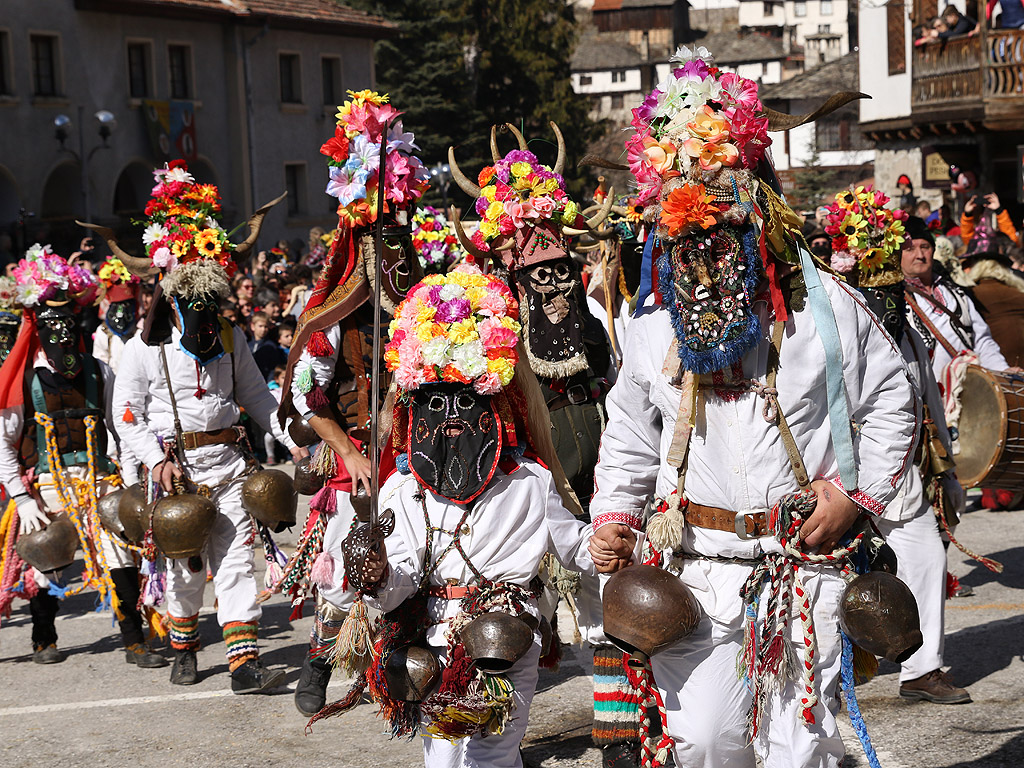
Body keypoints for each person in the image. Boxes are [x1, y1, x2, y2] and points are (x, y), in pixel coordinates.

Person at [586, 48, 919, 767]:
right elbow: (630, 433)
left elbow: (895, 396)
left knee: (797, 748)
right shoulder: (649, 324)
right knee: (703, 740)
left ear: (756, 206)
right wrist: (614, 516)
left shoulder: (824, 305)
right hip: (698, 572)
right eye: (685, 224)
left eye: (719, 211)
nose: (702, 241)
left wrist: (853, 496)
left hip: (805, 568)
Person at [311, 268, 595, 768]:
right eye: (434, 405)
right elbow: (394, 584)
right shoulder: (400, 489)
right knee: (441, 761)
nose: (451, 420)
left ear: (497, 410)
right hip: (427, 638)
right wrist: (374, 572)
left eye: (467, 403)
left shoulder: (530, 480)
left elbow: (576, 547)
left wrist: (616, 539)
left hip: (506, 636)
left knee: (493, 755)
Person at [96, 161, 305, 693]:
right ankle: (185, 645)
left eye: (212, 306)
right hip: (177, 474)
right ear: (174, 302)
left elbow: (260, 401)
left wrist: (294, 441)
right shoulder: (144, 348)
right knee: (186, 572)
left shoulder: (232, 340)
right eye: (196, 309)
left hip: (231, 467)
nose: (207, 320)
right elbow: (126, 417)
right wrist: (155, 460)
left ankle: (242, 662)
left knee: (236, 563)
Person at [273, 89, 429, 717]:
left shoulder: (430, 310)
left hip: (417, 462)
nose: (393, 248)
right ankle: (319, 660)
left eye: (400, 234)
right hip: (356, 460)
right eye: (381, 235)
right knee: (344, 570)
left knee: (420, 568)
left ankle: (406, 666)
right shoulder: (330, 322)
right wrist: (351, 453)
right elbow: (308, 402)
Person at [824, 186, 971, 705]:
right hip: (835, 471)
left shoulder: (904, 324)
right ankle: (824, 681)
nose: (886, 298)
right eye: (875, 280)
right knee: (828, 571)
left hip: (899, 476)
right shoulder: (831, 320)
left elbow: (925, 391)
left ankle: (922, 668)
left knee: (927, 556)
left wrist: (947, 468)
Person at [0, 245, 164, 667]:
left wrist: (127, 478)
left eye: (69, 328)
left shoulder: (99, 371)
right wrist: (20, 497)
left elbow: (120, 428)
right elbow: (3, 439)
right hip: (49, 484)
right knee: (44, 559)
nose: (63, 337)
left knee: (120, 554)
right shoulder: (26, 381)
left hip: (99, 477)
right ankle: (43, 639)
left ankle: (134, 640)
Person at [902, 215, 1014, 383]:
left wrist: (1002, 370)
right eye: (910, 249)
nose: (919, 255)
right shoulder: (895, 300)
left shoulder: (955, 292)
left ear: (933, 250)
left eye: (925, 247)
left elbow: (982, 340)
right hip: (925, 397)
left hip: (969, 391)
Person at [92, 256, 141, 373]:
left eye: (126, 304)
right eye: (117, 304)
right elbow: (100, 362)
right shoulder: (103, 332)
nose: (121, 311)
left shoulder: (141, 332)